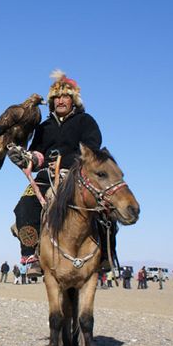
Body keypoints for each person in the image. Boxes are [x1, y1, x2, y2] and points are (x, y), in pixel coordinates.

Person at [8, 70, 103, 276]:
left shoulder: (85, 121)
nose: (60, 101)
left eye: (65, 96)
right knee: (23, 206)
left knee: (106, 208)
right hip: (45, 179)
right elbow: (37, 152)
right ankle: (31, 256)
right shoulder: (44, 126)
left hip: (77, 176)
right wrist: (28, 159)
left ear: (73, 100)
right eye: (56, 97)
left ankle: (106, 256)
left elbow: (92, 147)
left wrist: (70, 163)